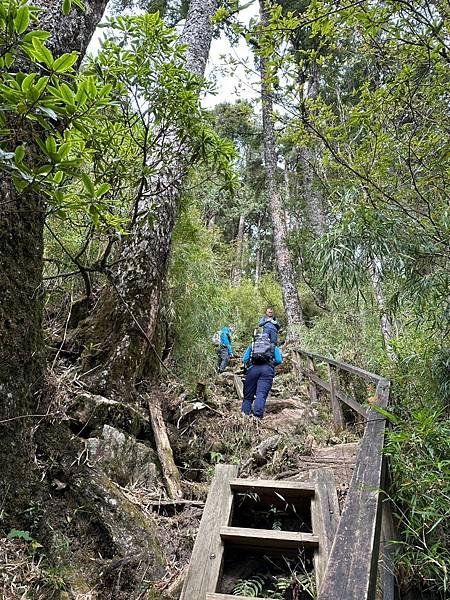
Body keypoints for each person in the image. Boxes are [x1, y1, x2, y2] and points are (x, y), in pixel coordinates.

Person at [241, 333, 283, 418]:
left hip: (253, 370)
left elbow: (245, 359)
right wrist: (271, 364)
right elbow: (279, 360)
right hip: (267, 371)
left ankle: (244, 415)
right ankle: (257, 416)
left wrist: (250, 365)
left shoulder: (253, 346)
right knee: (261, 394)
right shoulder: (273, 346)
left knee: (248, 396)